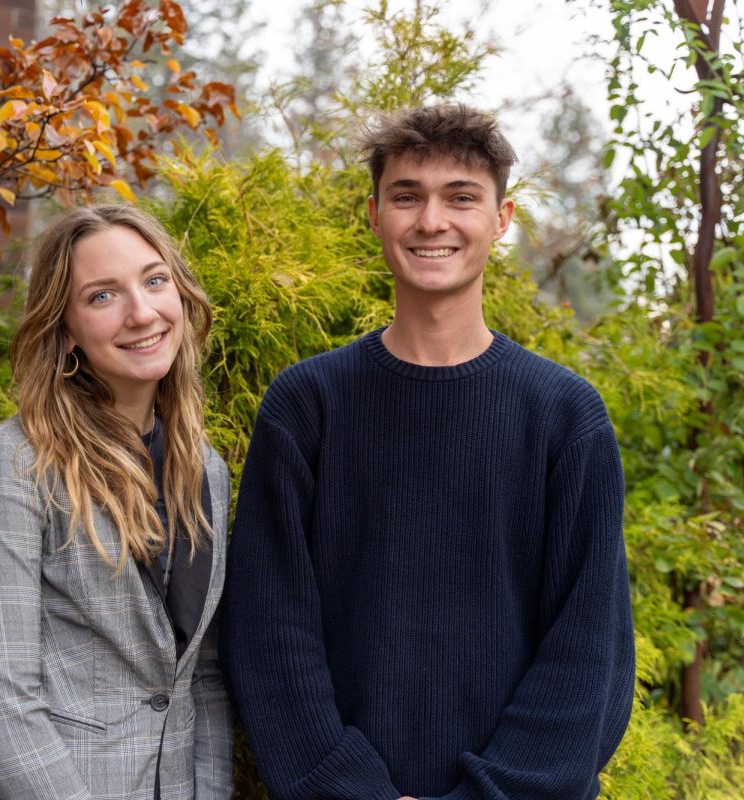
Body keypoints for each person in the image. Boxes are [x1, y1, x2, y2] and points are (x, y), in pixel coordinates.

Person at [220, 104, 635, 800]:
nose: (431, 221)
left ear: (501, 220)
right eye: (407, 195)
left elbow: (588, 654)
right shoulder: (306, 406)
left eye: (461, 197)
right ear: (375, 213)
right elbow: (269, 634)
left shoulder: (564, 416)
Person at [0, 205, 234, 800]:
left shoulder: (206, 470)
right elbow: (3, 705)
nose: (142, 312)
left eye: (155, 281)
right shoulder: (14, 463)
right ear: (64, 331)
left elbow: (201, 679)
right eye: (103, 296)